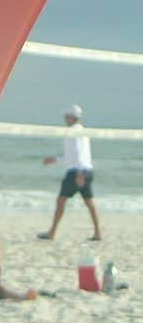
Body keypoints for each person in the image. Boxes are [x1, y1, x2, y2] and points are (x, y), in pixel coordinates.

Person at [38, 103, 101, 241]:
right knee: (89, 202)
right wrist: (54, 160)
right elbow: (73, 156)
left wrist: (79, 172)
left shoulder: (74, 131)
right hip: (86, 169)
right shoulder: (83, 131)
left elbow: (77, 154)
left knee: (61, 200)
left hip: (77, 171)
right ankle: (97, 232)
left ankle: (52, 232)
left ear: (73, 117)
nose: (65, 119)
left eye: (67, 117)